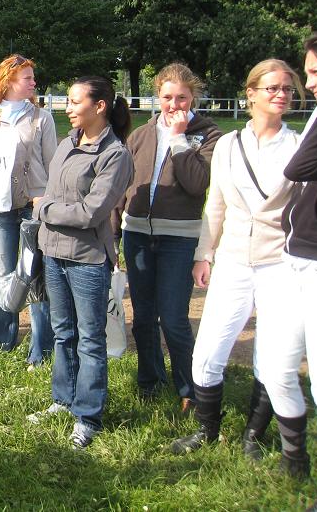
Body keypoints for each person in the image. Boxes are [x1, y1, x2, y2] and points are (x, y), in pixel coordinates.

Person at [169, 59, 303, 457]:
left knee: (270, 353)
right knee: (209, 349)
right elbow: (216, 204)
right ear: (250, 94)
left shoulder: (298, 147)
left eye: (287, 89)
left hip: (280, 262)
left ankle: (252, 437)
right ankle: (207, 430)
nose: (281, 95)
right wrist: (203, 253)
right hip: (232, 260)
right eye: (272, 88)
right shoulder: (229, 144)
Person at [28, 76, 133, 449]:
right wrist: (48, 215)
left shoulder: (115, 155)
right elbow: (58, 193)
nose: (68, 107)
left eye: (75, 102)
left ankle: (87, 416)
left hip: (87, 259)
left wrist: (45, 210)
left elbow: (91, 213)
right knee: (63, 332)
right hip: (53, 253)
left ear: (99, 106)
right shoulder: (66, 144)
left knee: (90, 339)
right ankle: (63, 399)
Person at [121, 64, 222, 408]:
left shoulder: (208, 135)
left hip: (179, 239)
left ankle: (189, 389)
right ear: (157, 96)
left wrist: (179, 139)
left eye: (182, 97)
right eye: (167, 97)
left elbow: (197, 184)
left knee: (174, 318)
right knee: (143, 317)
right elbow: (123, 185)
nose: (174, 104)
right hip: (136, 234)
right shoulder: (142, 134)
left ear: (193, 96)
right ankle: (150, 380)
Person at [264, 32, 317, 507]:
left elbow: (298, 166)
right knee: (277, 367)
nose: (309, 83)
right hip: (294, 258)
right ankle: (294, 459)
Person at [0, 54, 57, 358]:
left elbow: (51, 163)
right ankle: (1, 340)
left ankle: (41, 348)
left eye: (33, 77)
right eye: (27, 78)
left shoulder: (42, 118)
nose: (34, 82)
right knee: (3, 275)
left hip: (34, 205)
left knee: (35, 276)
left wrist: (46, 196)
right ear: (8, 82)